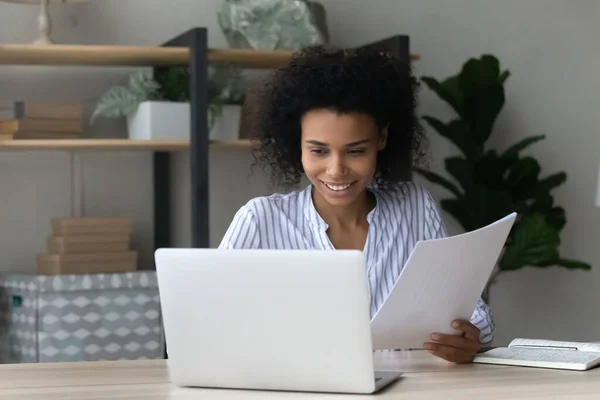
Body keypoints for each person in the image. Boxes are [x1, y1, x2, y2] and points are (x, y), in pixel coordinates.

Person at [218, 45, 494, 364]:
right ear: (297, 145)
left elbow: (471, 312)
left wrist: (469, 337)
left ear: (381, 139)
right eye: (319, 151)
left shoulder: (415, 207)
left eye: (355, 151)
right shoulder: (260, 220)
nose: (336, 170)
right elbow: (212, 323)